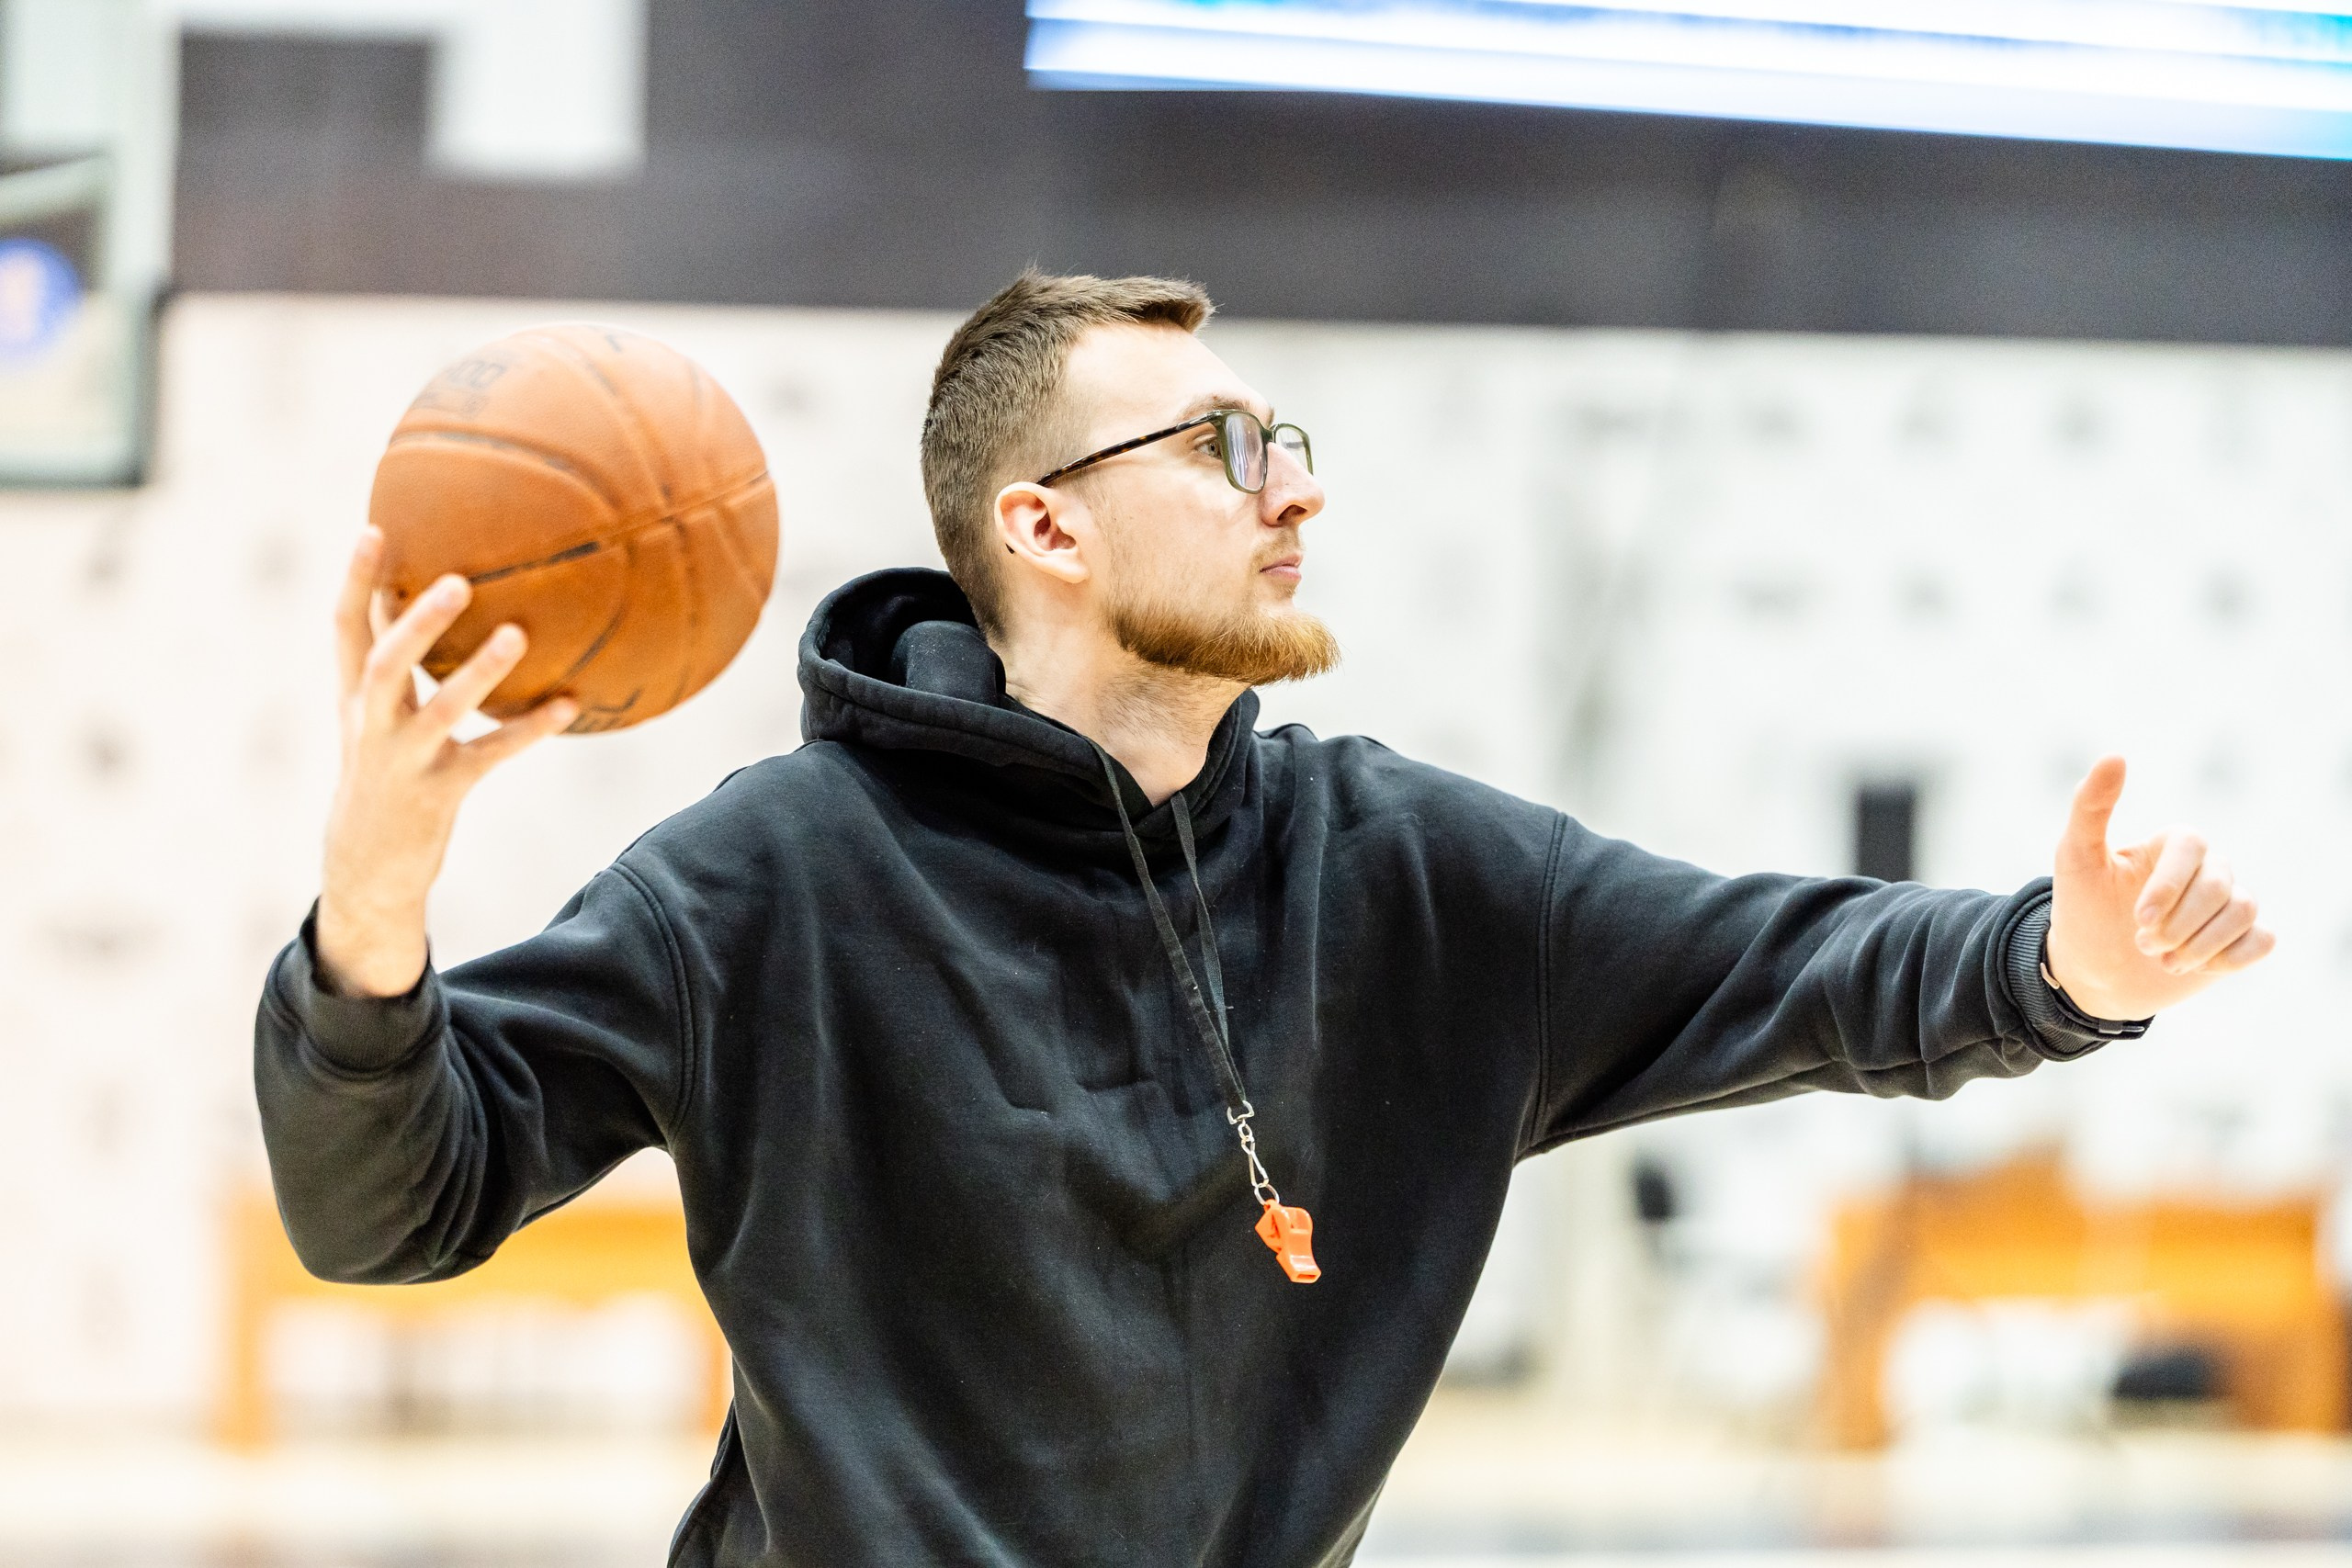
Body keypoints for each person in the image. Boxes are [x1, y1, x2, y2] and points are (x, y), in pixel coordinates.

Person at [255, 270, 2273, 1568]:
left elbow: (1786, 962)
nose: (1288, 487)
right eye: (1221, 450)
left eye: (1287, 441)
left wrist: (2051, 969)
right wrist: (379, 886)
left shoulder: (1405, 872)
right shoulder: (766, 879)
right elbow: (387, 1204)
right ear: (1039, 525)